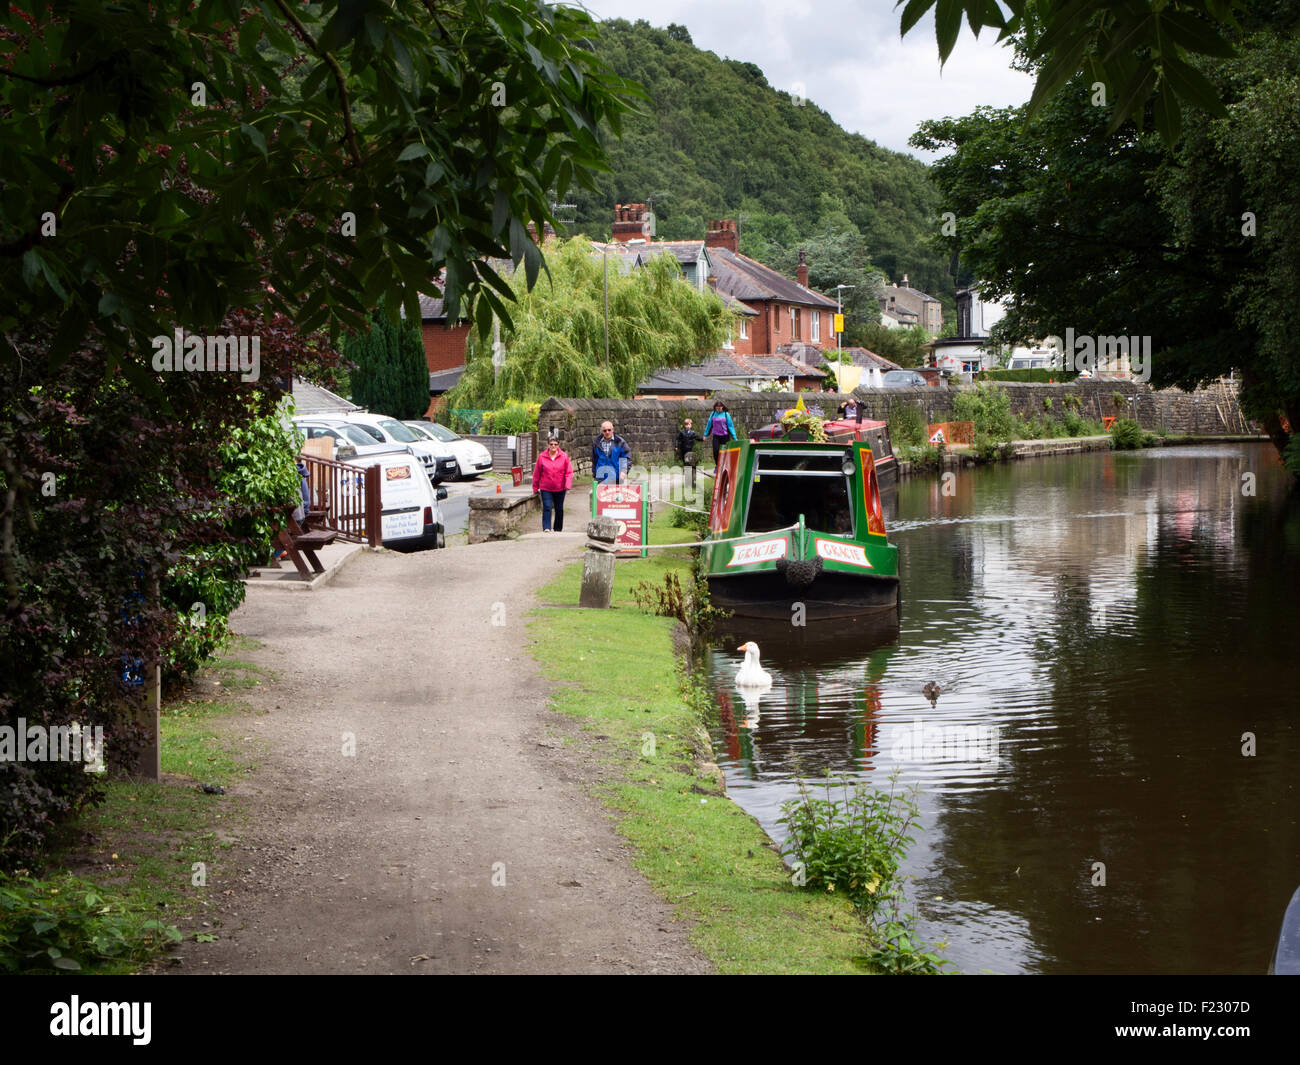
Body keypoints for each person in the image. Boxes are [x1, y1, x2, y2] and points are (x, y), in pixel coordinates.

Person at [532, 434, 574, 532]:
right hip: (546, 488)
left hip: (560, 488)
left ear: (558, 445)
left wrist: (567, 484)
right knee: (547, 507)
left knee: (559, 509)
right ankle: (546, 527)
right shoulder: (542, 457)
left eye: (555, 444)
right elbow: (536, 473)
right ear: (548, 445)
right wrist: (535, 487)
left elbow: (569, 472)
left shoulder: (564, 456)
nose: (553, 446)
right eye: (551, 444)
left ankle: (558, 529)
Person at [592, 420, 631, 485]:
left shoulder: (620, 442)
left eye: (609, 430)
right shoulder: (596, 442)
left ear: (613, 430)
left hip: (616, 478)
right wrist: (595, 474)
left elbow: (626, 458)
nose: (607, 432)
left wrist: (623, 471)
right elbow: (594, 459)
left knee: (616, 495)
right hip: (600, 478)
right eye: (605, 430)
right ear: (602, 431)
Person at [703, 400, 736, 467]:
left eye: (719, 408)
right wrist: (705, 434)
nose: (718, 409)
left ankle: (725, 465)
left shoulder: (726, 414)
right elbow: (709, 424)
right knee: (715, 451)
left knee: (725, 452)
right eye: (717, 408)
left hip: (725, 436)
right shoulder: (713, 414)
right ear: (715, 407)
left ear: (722, 407)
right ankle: (717, 465)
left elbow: (730, 426)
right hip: (716, 436)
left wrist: (734, 437)